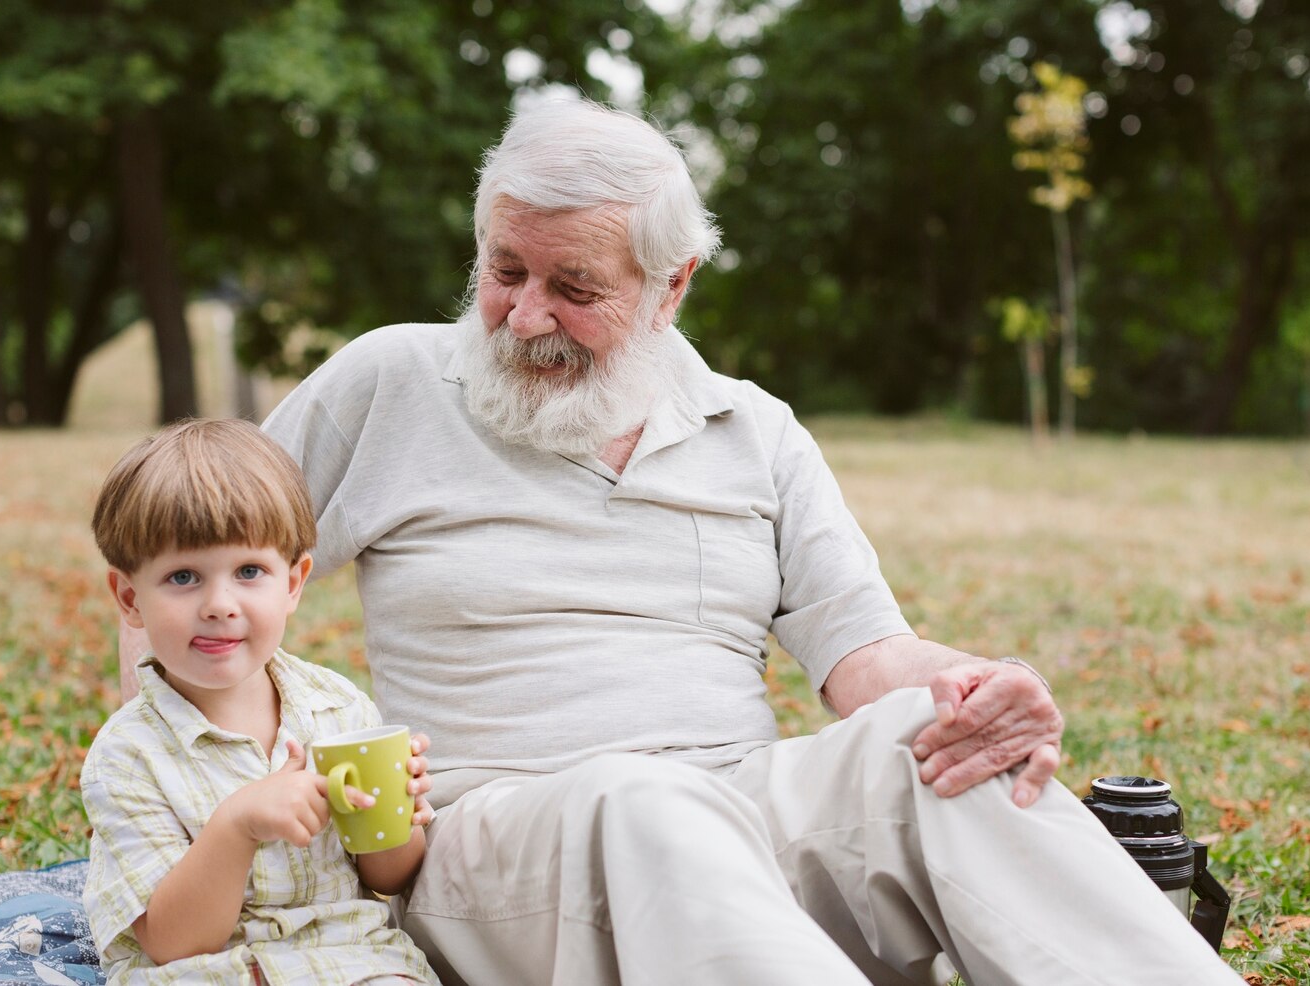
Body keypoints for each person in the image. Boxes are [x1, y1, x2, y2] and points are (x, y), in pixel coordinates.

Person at [126, 101, 1243, 985]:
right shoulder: (391, 381)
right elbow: (186, 549)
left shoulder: (752, 429)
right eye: (503, 269)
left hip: (741, 817)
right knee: (640, 796)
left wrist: (974, 685)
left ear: (673, 286)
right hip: (496, 850)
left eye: (573, 289)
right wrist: (168, 789)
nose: (520, 316)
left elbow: (864, 658)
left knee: (929, 742)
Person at [84, 418, 440, 986]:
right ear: (130, 597)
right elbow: (173, 944)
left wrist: (395, 812)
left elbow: (390, 878)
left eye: (249, 571)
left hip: (348, 960)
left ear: (294, 582)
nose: (220, 604)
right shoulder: (127, 757)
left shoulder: (335, 710)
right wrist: (237, 825)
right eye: (183, 577)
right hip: (212, 972)